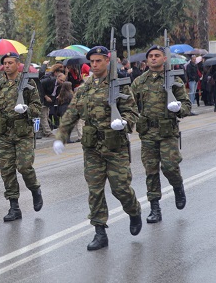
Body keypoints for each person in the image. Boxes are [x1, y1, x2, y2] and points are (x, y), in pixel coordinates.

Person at [53, 46, 142, 251]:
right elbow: (71, 113)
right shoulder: (84, 88)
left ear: (107, 61)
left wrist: (124, 122)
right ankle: (100, 232)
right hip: (92, 148)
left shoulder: (119, 85)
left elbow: (132, 111)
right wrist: (61, 136)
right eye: (92, 61)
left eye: (99, 61)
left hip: (115, 146)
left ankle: (134, 210)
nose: (94, 65)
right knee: (95, 191)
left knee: (121, 188)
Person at [131, 45, 191, 224]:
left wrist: (178, 107)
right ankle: (155, 208)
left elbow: (187, 106)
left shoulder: (174, 80)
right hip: (148, 132)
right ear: (147, 60)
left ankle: (178, 187)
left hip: (167, 132)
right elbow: (130, 107)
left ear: (165, 59)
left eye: (157, 55)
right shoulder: (139, 82)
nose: (153, 58)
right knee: (151, 171)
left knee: (170, 166)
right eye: (150, 56)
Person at [0, 52, 43, 222]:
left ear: (17, 64)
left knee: (25, 167)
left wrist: (26, 109)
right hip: (4, 133)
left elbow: (37, 107)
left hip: (23, 132)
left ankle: (35, 189)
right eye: (5, 63)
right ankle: (14, 206)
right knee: (7, 171)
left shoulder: (28, 82)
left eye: (10, 62)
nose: (7, 66)